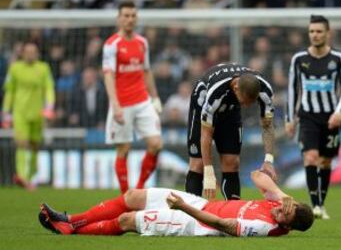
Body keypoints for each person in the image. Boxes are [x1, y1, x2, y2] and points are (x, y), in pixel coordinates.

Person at [38, 169, 314, 237]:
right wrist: (281, 194)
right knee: (133, 196)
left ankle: (71, 228)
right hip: (201, 204)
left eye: (283, 215)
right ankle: (71, 219)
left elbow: (223, 224)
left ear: (287, 227)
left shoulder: (266, 227)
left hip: (194, 220)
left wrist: (184, 208)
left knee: (127, 221)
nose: (278, 211)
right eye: (283, 208)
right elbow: (256, 175)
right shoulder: (279, 204)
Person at [285, 15, 341, 219]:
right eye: (312, 31)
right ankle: (315, 206)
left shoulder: (338, 59)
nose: (315, 35)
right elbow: (292, 89)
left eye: (319, 31)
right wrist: (290, 118)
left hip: (331, 117)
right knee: (310, 157)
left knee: (325, 162)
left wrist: (339, 111)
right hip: (307, 116)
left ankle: (321, 203)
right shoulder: (299, 59)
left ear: (328, 33)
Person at [185, 63, 276, 200]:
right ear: (236, 87)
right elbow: (206, 134)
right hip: (202, 106)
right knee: (197, 164)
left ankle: (233, 212)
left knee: (232, 162)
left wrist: (268, 160)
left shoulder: (265, 91)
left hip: (231, 109)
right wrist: (209, 172)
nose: (246, 106)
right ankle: (190, 213)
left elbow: (267, 126)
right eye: (244, 102)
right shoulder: (215, 94)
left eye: (250, 103)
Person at [102, 2, 162, 193]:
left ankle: (139, 188)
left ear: (136, 19)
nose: (129, 19)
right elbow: (108, 75)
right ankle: (125, 195)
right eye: (126, 15)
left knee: (156, 144)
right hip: (122, 103)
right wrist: (116, 105)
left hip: (143, 101)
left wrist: (155, 97)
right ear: (119, 18)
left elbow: (146, 71)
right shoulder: (112, 45)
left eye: (133, 16)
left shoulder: (142, 42)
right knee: (124, 149)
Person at [1, 41, 55, 189]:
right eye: (28, 51)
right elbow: (10, 91)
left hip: (37, 113)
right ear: (23, 53)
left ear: (37, 53)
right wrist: (5, 111)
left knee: (34, 145)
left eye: (33, 51)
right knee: (21, 143)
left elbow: (49, 88)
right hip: (20, 113)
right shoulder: (15, 68)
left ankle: (31, 175)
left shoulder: (43, 68)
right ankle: (22, 176)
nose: (31, 54)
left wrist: (49, 106)